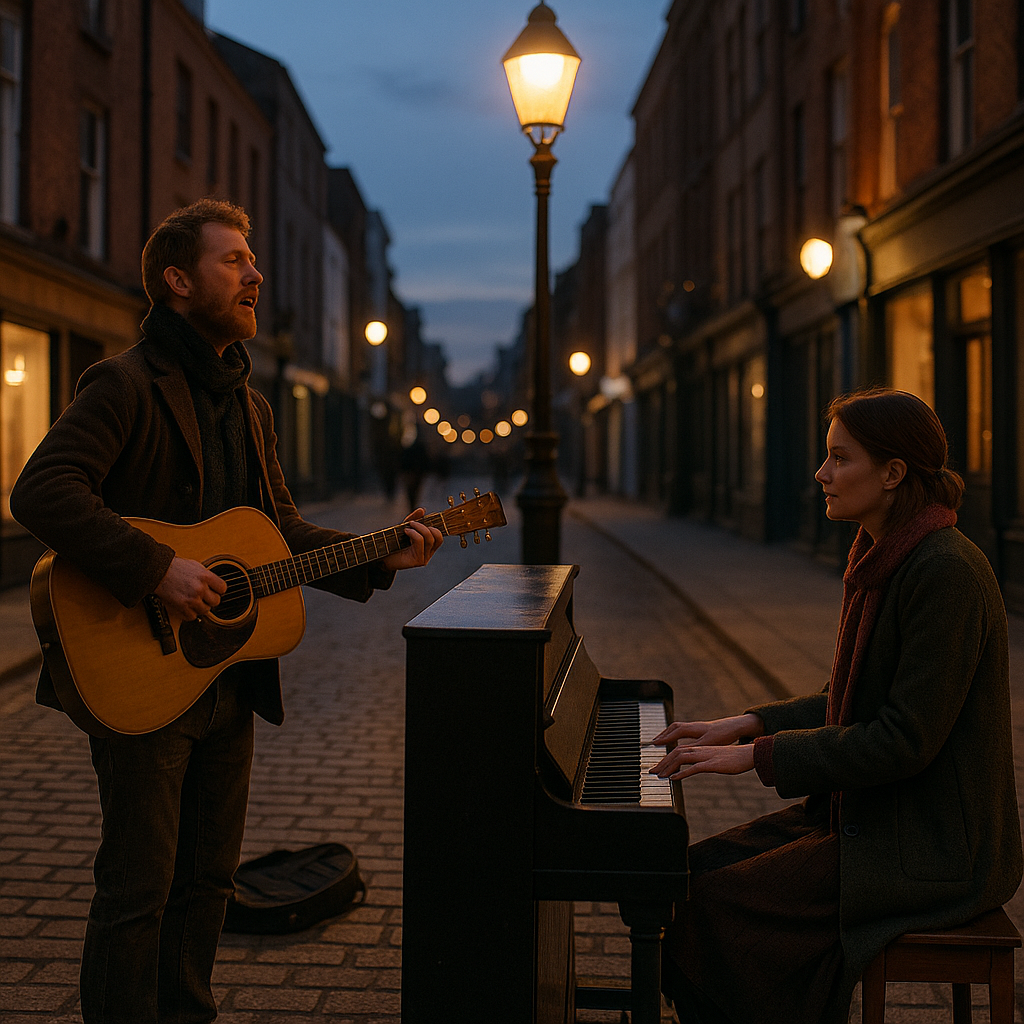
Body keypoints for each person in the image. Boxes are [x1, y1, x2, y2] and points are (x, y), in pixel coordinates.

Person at [9, 198, 443, 1024]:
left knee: (208, 880)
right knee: (138, 888)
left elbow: (278, 532)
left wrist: (377, 552)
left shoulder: (250, 404)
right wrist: (156, 569)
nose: (256, 274)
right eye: (234, 260)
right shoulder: (125, 382)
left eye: (253, 259)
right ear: (178, 280)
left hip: (228, 677)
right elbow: (42, 491)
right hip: (142, 673)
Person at [650, 388, 1022, 1024]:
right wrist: (746, 722)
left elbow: (903, 739)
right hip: (874, 815)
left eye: (838, 458)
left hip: (933, 847)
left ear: (893, 473)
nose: (821, 474)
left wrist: (755, 758)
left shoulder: (946, 571)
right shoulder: (885, 555)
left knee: (718, 904)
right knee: (689, 871)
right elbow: (847, 700)